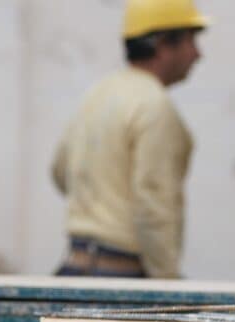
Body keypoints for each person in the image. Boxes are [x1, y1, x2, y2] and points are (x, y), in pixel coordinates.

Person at [51, 0, 207, 278]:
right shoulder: (154, 107)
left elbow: (61, 172)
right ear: (161, 44)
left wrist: (100, 205)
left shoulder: (99, 94)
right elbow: (154, 205)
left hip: (75, 267)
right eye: (190, 40)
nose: (197, 54)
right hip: (121, 276)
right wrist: (169, 286)